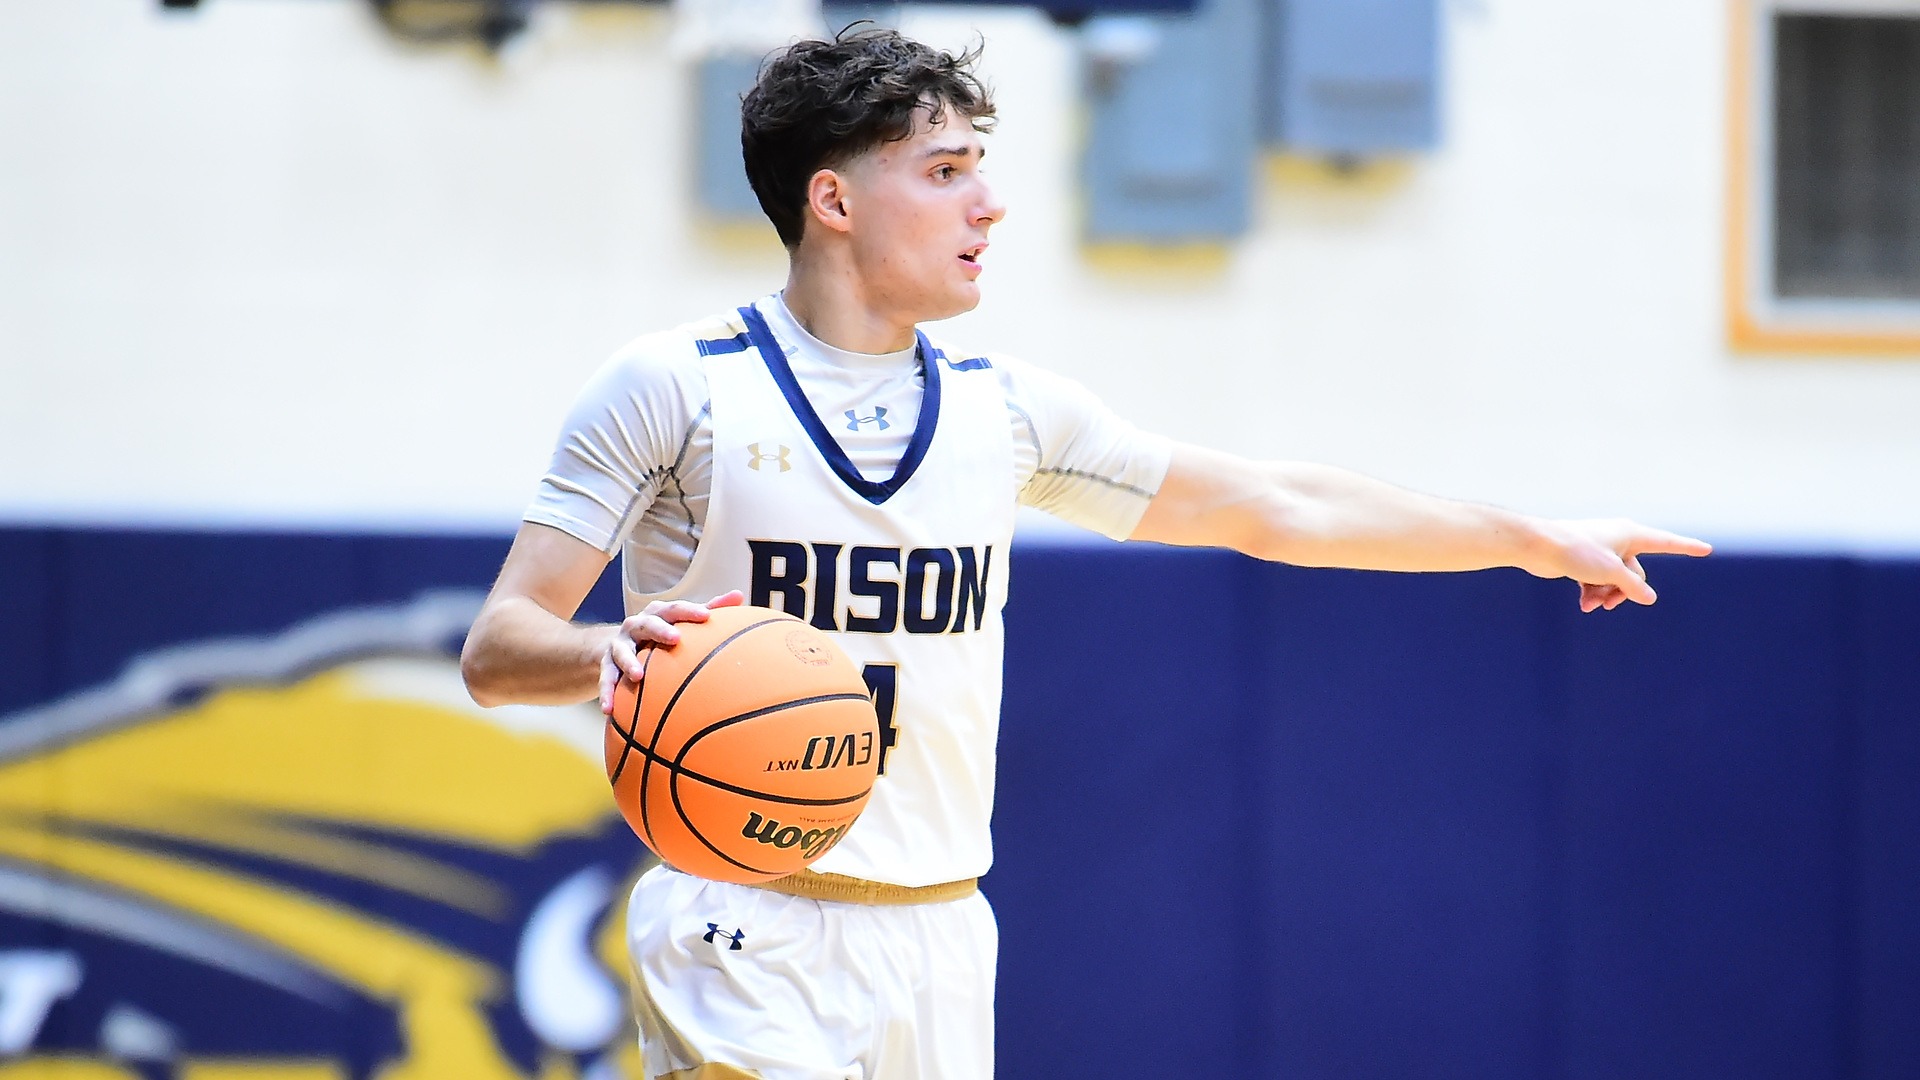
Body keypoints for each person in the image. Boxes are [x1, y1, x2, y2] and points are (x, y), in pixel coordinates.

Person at [460, 26, 1710, 1080]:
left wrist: (1532, 540)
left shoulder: (1009, 412)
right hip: (745, 925)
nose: (990, 202)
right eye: (947, 170)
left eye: (982, 168)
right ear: (832, 199)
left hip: (943, 932)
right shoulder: (672, 390)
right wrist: (610, 653)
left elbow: (1275, 507)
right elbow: (499, 647)